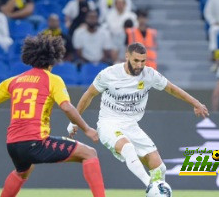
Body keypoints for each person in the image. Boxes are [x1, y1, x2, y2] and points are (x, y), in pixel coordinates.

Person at [0, 34, 106, 197]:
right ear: (53, 58)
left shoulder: (14, 80)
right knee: (90, 153)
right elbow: (66, 107)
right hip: (36, 142)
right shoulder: (53, 80)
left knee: (23, 171)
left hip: (13, 145)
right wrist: (86, 129)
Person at [67, 43, 209, 189]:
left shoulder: (149, 74)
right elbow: (88, 96)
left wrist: (196, 103)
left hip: (131, 126)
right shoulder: (109, 74)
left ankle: (156, 191)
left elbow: (172, 89)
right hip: (108, 123)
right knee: (127, 148)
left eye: (143, 61)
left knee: (159, 168)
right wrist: (74, 122)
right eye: (136, 61)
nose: (139, 65)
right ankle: (150, 186)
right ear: (127, 57)